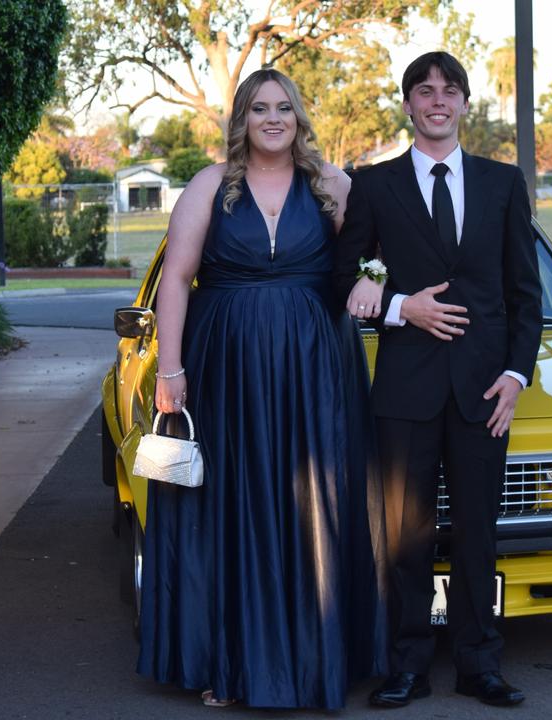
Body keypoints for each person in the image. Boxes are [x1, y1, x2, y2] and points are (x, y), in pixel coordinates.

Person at [140, 68, 388, 710]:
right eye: (258, 109)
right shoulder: (207, 187)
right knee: (234, 508)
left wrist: (374, 279)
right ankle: (231, 664)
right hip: (226, 368)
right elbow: (176, 282)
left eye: (283, 107)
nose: (272, 118)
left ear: (299, 116)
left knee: (315, 505)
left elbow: (378, 255)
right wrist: (171, 369)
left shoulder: (332, 185)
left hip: (316, 371)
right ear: (242, 119)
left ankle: (316, 661)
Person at [334, 51, 542, 709]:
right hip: (405, 391)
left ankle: (480, 665)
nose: (437, 101)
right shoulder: (373, 184)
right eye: (424, 91)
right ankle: (408, 666)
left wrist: (515, 374)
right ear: (408, 105)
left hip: (485, 392)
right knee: (406, 537)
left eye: (449, 91)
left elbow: (524, 294)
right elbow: (348, 275)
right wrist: (400, 305)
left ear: (465, 104)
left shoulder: (503, 183)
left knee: (478, 535)